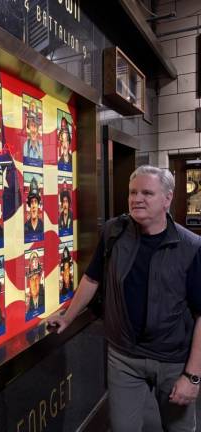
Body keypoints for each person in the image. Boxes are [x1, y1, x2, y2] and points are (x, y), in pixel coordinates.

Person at [48, 165, 201, 432]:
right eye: (132, 192)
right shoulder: (113, 232)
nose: (137, 198)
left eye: (147, 192)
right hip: (124, 357)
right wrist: (67, 317)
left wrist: (193, 376)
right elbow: (92, 279)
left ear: (167, 198)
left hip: (173, 359)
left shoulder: (191, 247)